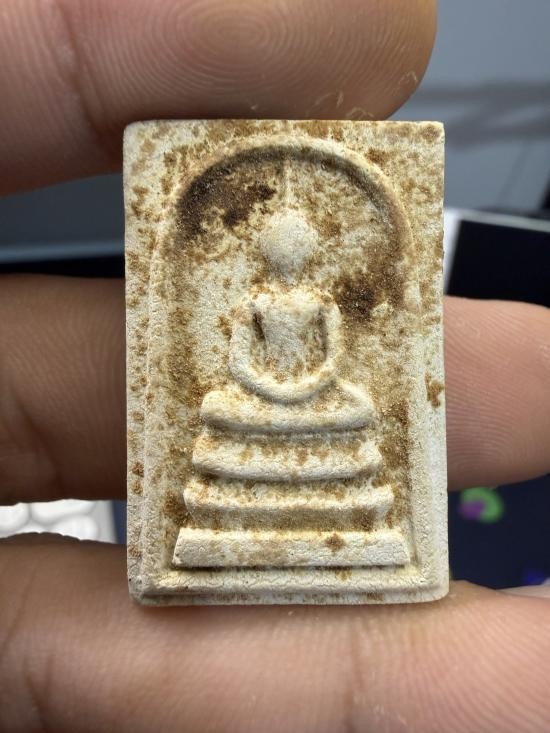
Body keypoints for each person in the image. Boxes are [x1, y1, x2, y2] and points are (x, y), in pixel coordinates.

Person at [0, 1, 549, 731]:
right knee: (219, 409)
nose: (288, 259)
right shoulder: (255, 299)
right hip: (259, 397)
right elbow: (237, 360)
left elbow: (332, 358)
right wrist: (265, 388)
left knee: (358, 406)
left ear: (308, 254)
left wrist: (309, 387)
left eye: (296, 250)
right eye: (279, 249)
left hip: (317, 397)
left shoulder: (320, 301)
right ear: (267, 253)